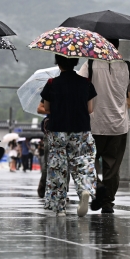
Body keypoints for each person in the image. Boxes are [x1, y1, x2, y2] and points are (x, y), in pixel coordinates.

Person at [77, 38, 130, 214]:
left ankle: (98, 187)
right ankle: (108, 203)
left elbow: (80, 87)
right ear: (117, 46)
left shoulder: (90, 64)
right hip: (118, 125)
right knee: (113, 166)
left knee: (89, 162)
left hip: (94, 123)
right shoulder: (126, 66)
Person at [40, 54, 98, 217]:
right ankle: (85, 190)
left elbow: (46, 107)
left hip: (58, 129)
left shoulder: (52, 83)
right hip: (81, 129)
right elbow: (90, 109)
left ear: (58, 63)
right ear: (75, 63)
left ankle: (59, 207)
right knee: (82, 162)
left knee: (58, 166)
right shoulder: (86, 83)